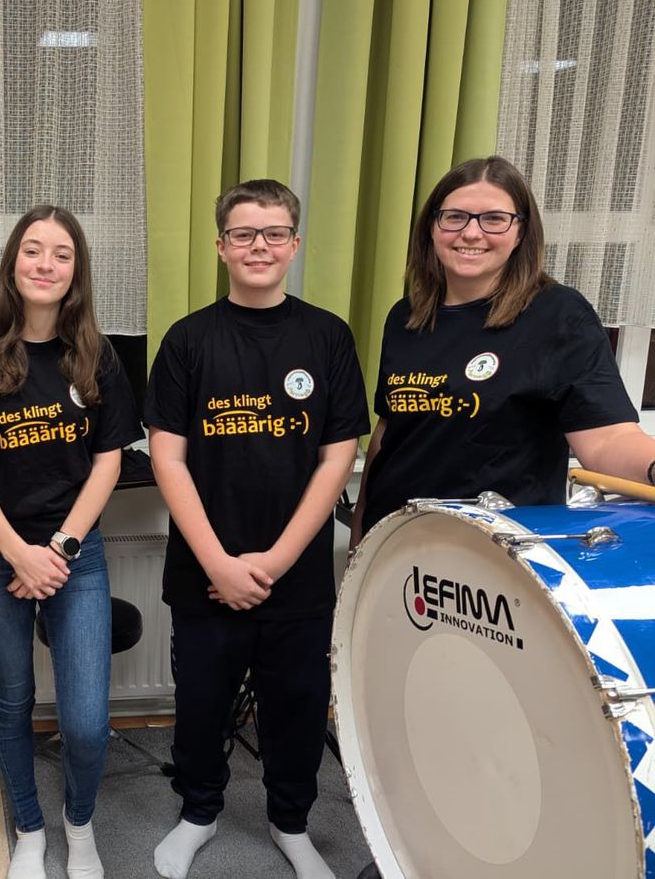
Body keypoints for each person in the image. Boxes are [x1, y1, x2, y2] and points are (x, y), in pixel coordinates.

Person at [145, 180, 369, 879]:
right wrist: (217, 562)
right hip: (204, 573)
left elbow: (339, 455)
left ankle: (291, 821)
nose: (259, 246)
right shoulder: (188, 341)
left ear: (295, 244)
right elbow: (167, 455)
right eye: (244, 234)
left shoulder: (327, 336)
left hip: (296, 574)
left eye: (274, 233)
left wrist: (273, 558)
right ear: (221, 246)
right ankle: (199, 812)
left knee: (295, 706)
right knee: (202, 704)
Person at [0, 206, 141, 879]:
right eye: (33, 250)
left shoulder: (98, 355)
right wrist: (19, 552)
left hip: (74, 558)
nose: (46, 264)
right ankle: (29, 826)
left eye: (61, 253)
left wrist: (56, 550)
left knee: (85, 721)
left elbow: (109, 460)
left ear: (76, 270)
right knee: (13, 700)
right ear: (12, 262)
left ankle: (77, 824)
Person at [352, 155, 655, 546]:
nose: (471, 233)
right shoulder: (407, 315)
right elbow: (389, 431)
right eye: (454, 216)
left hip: (497, 555)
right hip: (397, 541)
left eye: (493, 219)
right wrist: (362, 524)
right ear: (432, 227)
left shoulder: (558, 315)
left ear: (520, 233)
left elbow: (607, 438)